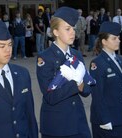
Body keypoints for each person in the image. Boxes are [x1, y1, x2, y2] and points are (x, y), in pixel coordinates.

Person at [36, 6, 91, 138]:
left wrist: (82, 85)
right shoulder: (45, 57)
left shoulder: (76, 54)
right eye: (67, 29)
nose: (73, 32)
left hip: (78, 121)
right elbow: (51, 96)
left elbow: (87, 89)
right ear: (55, 32)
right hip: (58, 125)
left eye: (73, 28)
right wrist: (76, 83)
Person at [89, 22, 122, 138]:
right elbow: (97, 95)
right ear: (104, 42)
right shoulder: (97, 63)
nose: (119, 41)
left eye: (119, 38)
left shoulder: (120, 59)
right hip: (107, 119)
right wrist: (104, 120)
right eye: (114, 38)